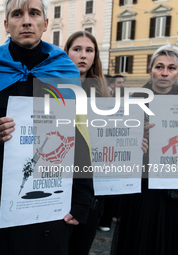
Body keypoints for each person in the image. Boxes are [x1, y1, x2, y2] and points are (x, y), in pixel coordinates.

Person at [0, 1, 94, 254]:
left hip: (49, 203)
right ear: (6, 24)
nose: (26, 20)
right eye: (17, 14)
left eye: (34, 13)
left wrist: (81, 200)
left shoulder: (64, 71)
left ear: (45, 23)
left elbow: (80, 137)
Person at [111, 44, 178, 255]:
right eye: (159, 66)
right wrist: (135, 138)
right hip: (143, 188)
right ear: (150, 69)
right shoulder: (132, 101)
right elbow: (116, 145)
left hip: (175, 188)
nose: (164, 73)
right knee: (140, 241)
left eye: (171, 68)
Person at [64, 30, 110, 255]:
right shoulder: (52, 91)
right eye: (77, 49)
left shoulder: (106, 97)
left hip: (94, 192)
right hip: (62, 187)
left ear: (95, 56)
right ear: (67, 53)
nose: (83, 55)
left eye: (89, 50)